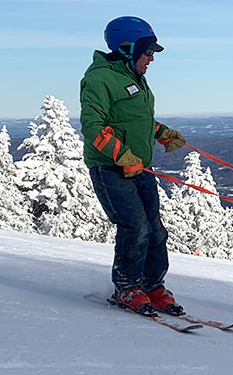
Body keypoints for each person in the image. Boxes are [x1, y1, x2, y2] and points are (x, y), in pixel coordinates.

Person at [80, 16, 188, 316]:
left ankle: (152, 286)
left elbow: (133, 121)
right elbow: (92, 126)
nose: (152, 57)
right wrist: (121, 155)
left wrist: (161, 133)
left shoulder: (132, 76)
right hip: (110, 169)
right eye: (148, 50)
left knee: (155, 230)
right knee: (136, 228)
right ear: (128, 47)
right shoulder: (99, 78)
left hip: (139, 168)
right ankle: (127, 288)